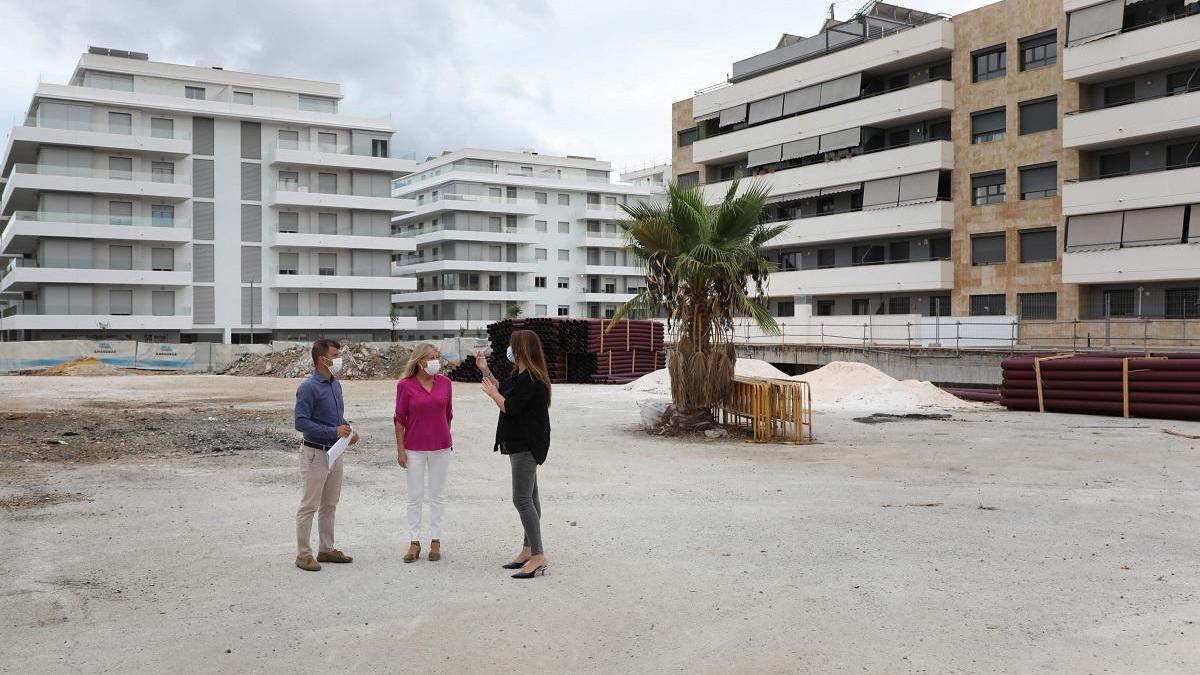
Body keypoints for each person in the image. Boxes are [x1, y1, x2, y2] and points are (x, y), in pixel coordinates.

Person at [476, 329, 552, 580]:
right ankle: (528, 549)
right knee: (531, 496)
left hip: (527, 444)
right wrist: (485, 370)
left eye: (511, 346)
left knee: (521, 499)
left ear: (519, 350)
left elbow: (509, 405)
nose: (508, 350)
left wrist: (493, 395)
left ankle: (538, 555)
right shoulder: (519, 375)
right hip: (520, 442)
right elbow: (502, 389)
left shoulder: (532, 378)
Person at [294, 339, 358, 572]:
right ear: (323, 359)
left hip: (334, 453)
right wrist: (333, 431)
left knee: (330, 504)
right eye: (336, 354)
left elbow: (337, 417)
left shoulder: (335, 384)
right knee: (309, 505)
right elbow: (300, 422)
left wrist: (347, 430)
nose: (340, 358)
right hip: (314, 454)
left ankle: (326, 549)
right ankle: (303, 555)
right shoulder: (308, 387)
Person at [394, 344, 454, 563]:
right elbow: (399, 420)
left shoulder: (446, 384)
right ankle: (414, 541)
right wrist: (401, 450)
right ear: (420, 362)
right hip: (414, 449)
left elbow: (448, 414)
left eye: (437, 357)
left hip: (441, 448)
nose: (436, 361)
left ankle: (436, 540)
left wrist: (443, 435)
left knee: (437, 496)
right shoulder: (405, 386)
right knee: (415, 496)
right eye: (432, 357)